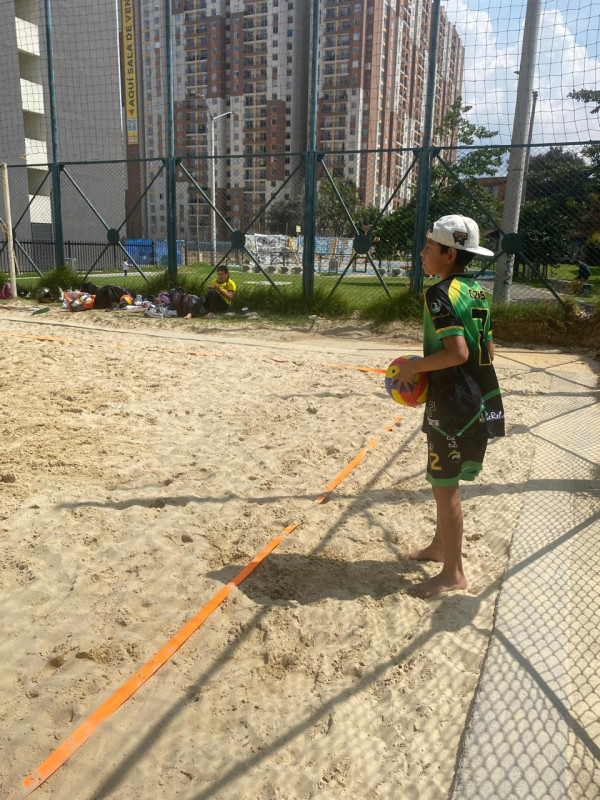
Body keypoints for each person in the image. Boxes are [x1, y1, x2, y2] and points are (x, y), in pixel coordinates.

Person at [392, 214, 505, 598]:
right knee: (444, 479)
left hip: (454, 403)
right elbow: (487, 348)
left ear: (449, 253)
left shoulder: (439, 293)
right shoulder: (477, 291)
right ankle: (440, 546)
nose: (422, 252)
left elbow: (456, 352)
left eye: (428, 247)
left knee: (445, 487)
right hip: (476, 397)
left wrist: (414, 367)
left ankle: (453, 574)